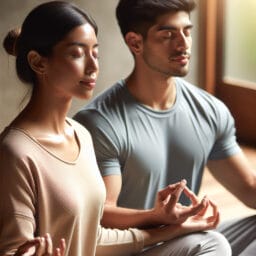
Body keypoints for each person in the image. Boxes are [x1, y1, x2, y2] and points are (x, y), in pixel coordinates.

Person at [0, 1, 231, 256]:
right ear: (38, 62)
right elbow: (12, 250)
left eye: (95, 53)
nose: (93, 66)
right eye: (77, 54)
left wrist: (169, 225)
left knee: (211, 243)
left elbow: (94, 237)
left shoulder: (80, 135)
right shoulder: (16, 153)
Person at [73, 0, 256, 255]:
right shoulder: (100, 123)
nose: (183, 44)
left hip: (185, 240)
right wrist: (158, 217)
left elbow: (249, 189)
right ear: (135, 42)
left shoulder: (209, 110)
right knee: (212, 244)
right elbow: (102, 215)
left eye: (187, 31)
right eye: (168, 35)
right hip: (133, 248)